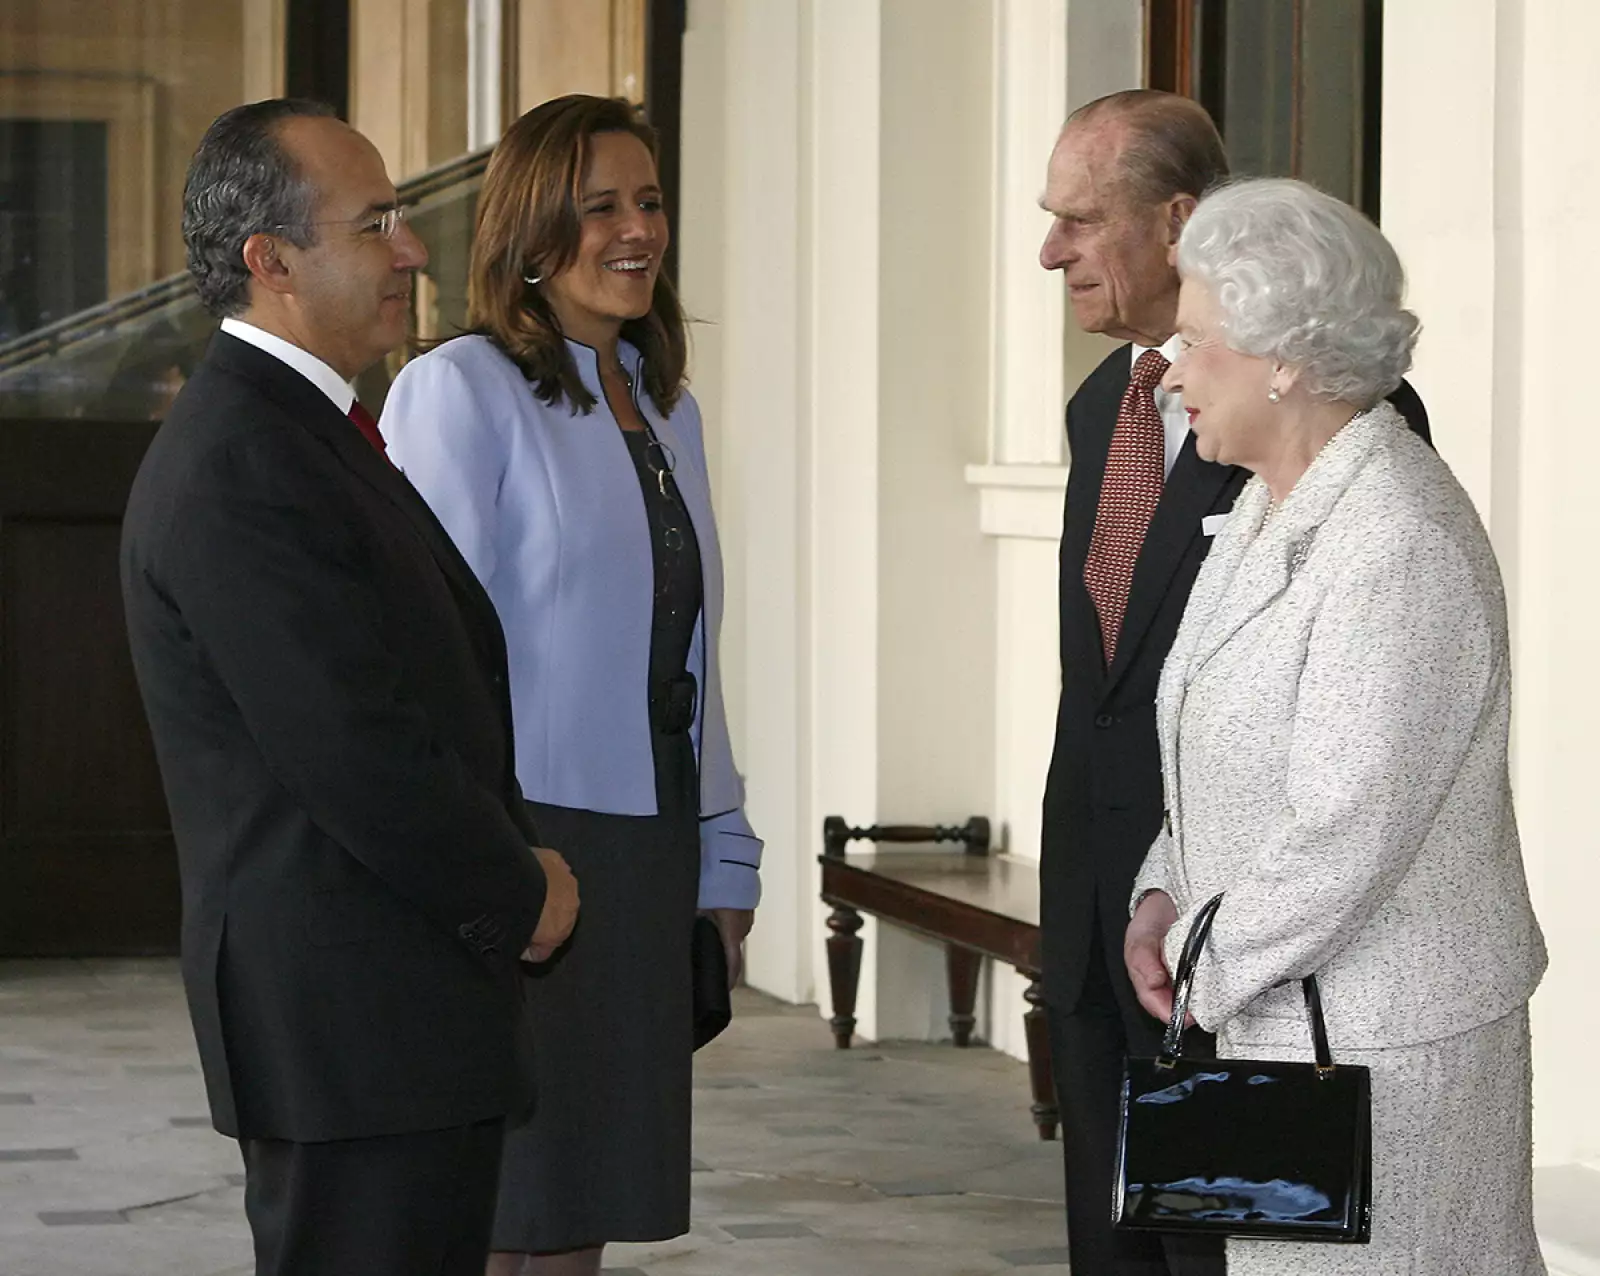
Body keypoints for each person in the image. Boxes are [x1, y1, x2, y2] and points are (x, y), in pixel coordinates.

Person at [120, 98, 579, 1276]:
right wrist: (516, 886)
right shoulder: (242, 459)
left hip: (388, 1007)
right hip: (346, 1019)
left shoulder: (309, 428)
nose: (414, 250)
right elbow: (354, 746)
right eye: (376, 224)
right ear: (270, 262)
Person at [1034, 90, 1430, 1276]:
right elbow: (1100, 681)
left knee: (1231, 1245)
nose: (1050, 250)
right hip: (1106, 902)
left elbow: (1356, 719)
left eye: (1079, 220)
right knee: (1117, 1248)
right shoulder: (1099, 402)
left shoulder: (1335, 421)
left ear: (1177, 221)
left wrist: (1212, 923)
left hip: (1242, 935)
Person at [1123, 176, 1547, 1274]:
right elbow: (1209, 745)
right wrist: (1161, 889)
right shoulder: (1264, 505)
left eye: (1194, 336)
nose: (1168, 369)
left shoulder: (1394, 539)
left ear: (1286, 359)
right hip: (1287, 1025)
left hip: (1385, 1050)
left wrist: (1193, 958)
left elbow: (1346, 825)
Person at [379, 94, 761, 1276]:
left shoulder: (669, 410)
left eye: (647, 202)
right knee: (510, 1203)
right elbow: (419, 654)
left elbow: (692, 651)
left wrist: (723, 848)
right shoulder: (462, 389)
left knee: (588, 1198)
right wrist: (475, 857)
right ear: (533, 232)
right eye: (600, 207)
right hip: (523, 843)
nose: (635, 229)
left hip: (643, 854)